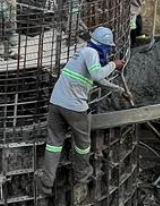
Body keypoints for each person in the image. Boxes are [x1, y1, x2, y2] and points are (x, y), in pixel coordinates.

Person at [38, 27, 127, 196]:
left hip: (56, 103)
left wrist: (119, 90)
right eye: (109, 48)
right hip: (74, 107)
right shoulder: (91, 53)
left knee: (53, 144)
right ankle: (82, 177)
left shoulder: (81, 54)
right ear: (103, 46)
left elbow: (98, 80)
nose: (109, 52)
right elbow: (97, 74)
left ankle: (46, 184)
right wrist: (114, 64)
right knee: (83, 145)